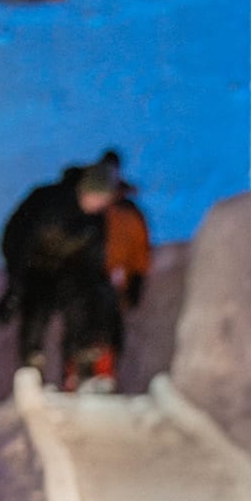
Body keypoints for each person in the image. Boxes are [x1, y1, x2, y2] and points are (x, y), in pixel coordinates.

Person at [0, 162, 118, 391]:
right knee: (36, 309)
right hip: (35, 266)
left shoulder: (95, 220)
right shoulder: (48, 201)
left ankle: (80, 366)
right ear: (84, 190)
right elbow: (17, 239)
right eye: (96, 198)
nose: (98, 205)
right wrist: (14, 286)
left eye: (103, 201)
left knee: (82, 299)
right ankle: (31, 367)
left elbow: (93, 261)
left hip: (67, 269)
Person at [99, 151, 152, 384]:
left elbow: (139, 249)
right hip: (89, 280)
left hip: (115, 281)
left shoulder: (129, 214)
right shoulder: (93, 210)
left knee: (110, 329)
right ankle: (80, 376)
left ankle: (105, 374)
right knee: (85, 326)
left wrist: (136, 280)